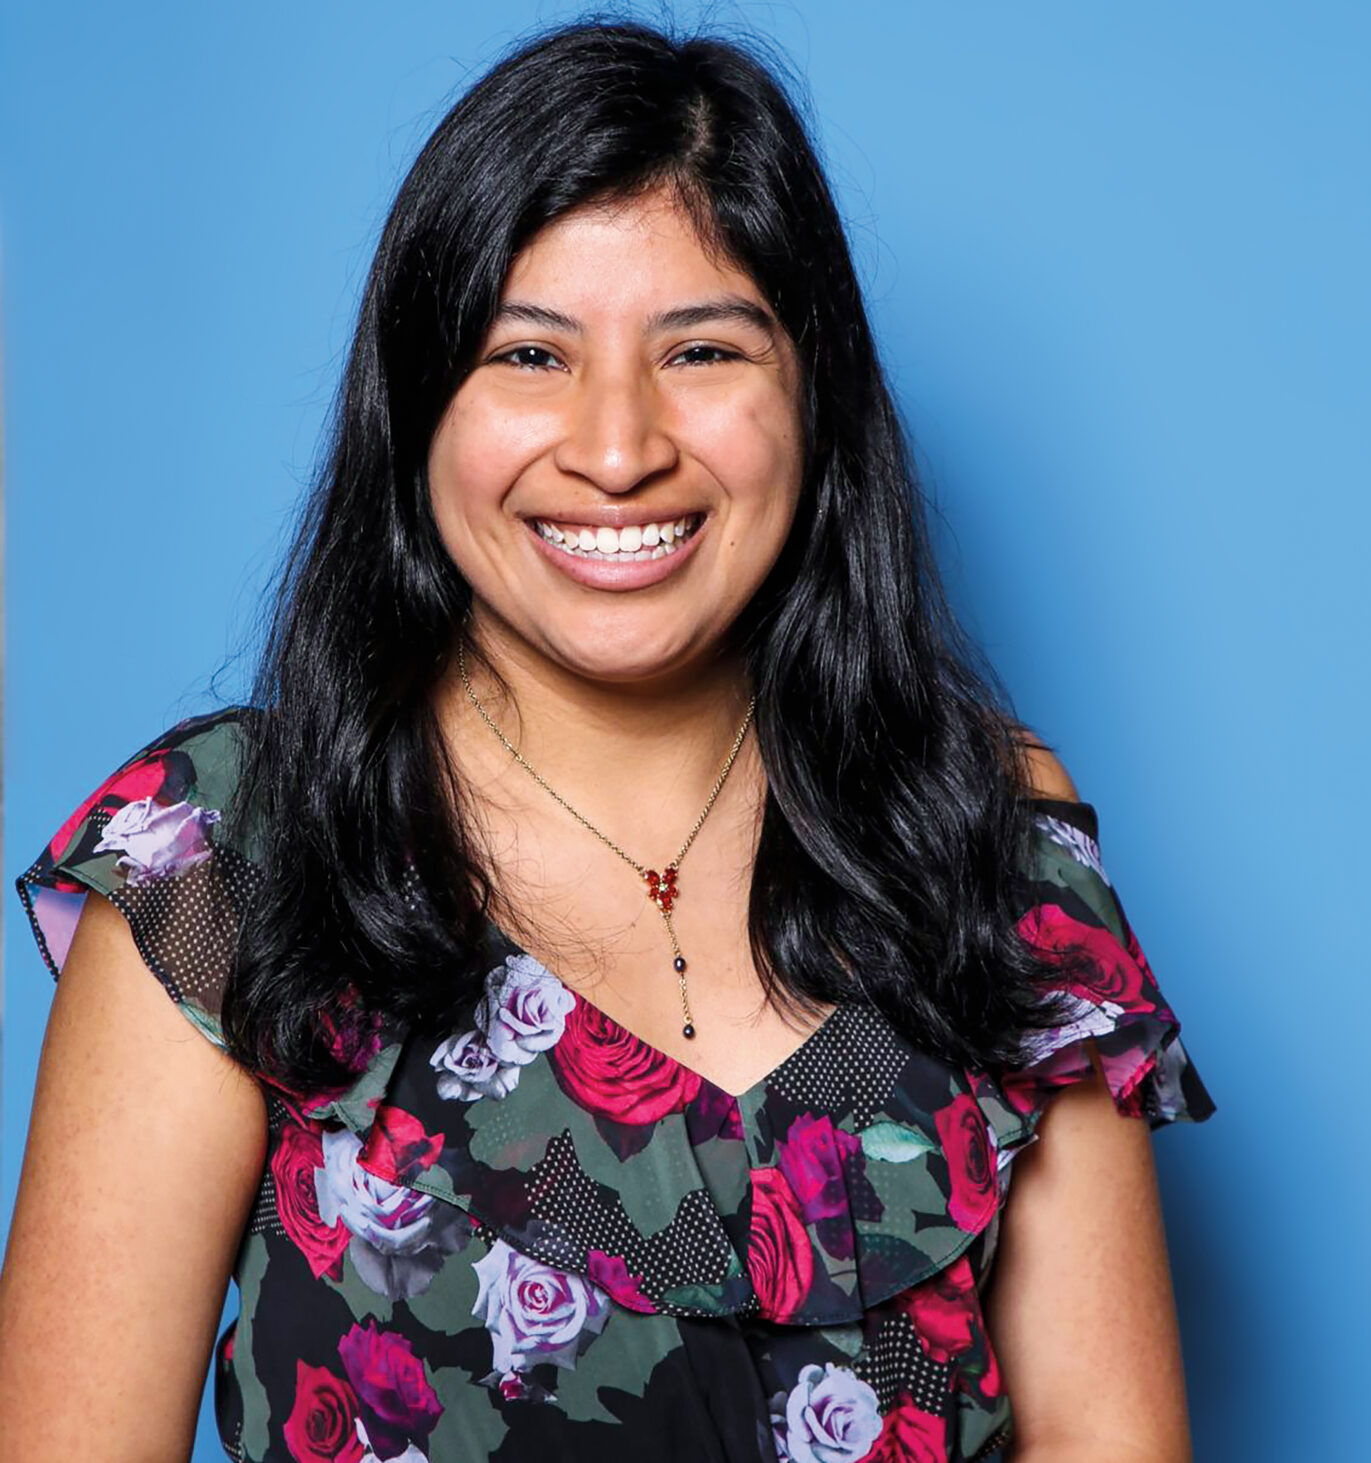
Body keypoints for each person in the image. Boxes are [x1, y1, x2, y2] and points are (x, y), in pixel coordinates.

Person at [0, 18, 1214, 1463]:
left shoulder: (991, 838)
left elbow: (1109, 1438)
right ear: (418, 411)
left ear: (811, 394)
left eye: (701, 349)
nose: (619, 445)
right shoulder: (227, 856)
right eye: (530, 355)